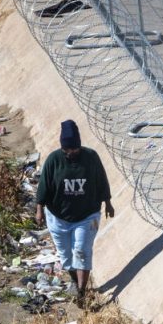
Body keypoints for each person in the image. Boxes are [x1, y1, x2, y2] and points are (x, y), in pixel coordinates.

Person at [35, 120, 114, 303]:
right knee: (66, 256)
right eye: (67, 150)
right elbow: (44, 187)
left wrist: (108, 203)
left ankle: (81, 291)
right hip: (58, 217)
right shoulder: (54, 160)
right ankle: (74, 279)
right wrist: (39, 209)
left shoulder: (91, 157)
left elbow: (101, 180)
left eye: (74, 150)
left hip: (87, 216)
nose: (70, 153)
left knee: (81, 251)